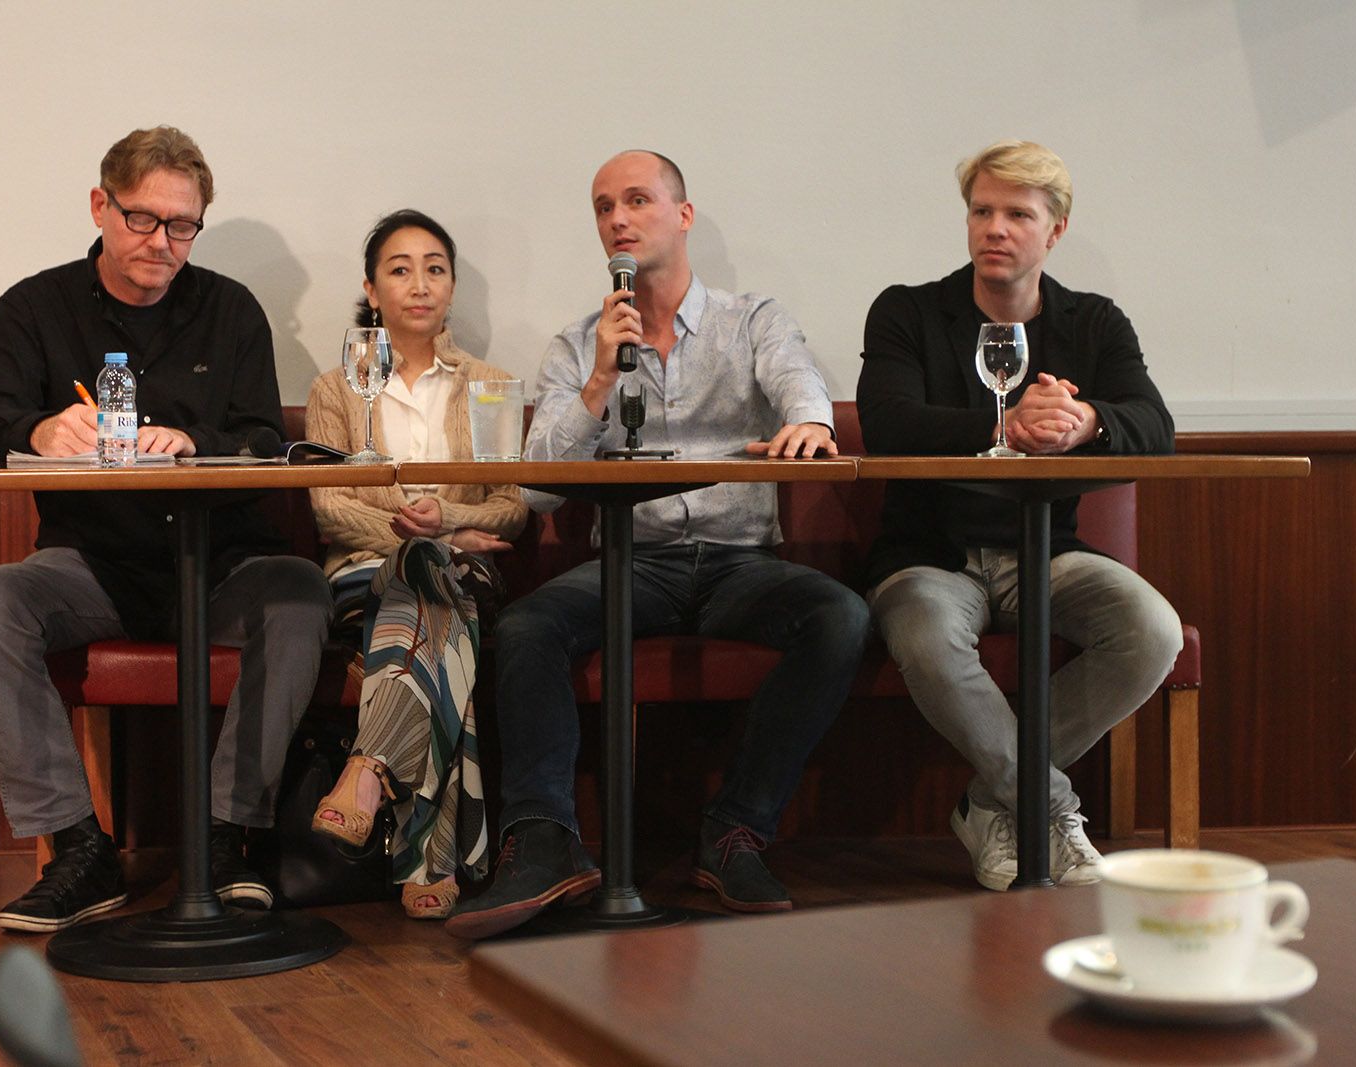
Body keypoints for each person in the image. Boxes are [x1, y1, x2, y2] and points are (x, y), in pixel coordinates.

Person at [445, 150, 870, 939]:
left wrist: (809, 420)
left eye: (636, 200)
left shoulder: (752, 318)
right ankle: (544, 840)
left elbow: (797, 378)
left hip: (740, 562)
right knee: (527, 626)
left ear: (683, 216)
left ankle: (736, 828)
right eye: (604, 206)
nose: (617, 218)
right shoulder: (580, 343)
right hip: (631, 562)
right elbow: (536, 486)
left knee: (840, 616)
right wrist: (600, 381)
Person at [0, 126, 333, 931]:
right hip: (90, 565)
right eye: (142, 219)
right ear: (101, 205)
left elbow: (267, 438)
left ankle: (228, 839)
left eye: (182, 225)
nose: (162, 242)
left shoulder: (231, 309)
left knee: (300, 592)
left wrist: (199, 442)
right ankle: (79, 850)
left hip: (223, 562)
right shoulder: (35, 306)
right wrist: (40, 428)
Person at [856, 140, 1183, 891]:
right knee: (928, 636)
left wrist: (1084, 420)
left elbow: (1155, 426)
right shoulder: (907, 310)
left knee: (1152, 630)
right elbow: (889, 423)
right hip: (928, 555)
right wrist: (1003, 429)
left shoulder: (1094, 323)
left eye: (1016, 214)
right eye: (981, 211)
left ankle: (991, 802)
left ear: (1055, 230)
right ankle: (1048, 805)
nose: (994, 228)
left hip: (1047, 550)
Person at [304, 209, 527, 920]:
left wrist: (450, 526)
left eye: (435, 267)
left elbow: (512, 507)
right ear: (372, 289)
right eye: (400, 269)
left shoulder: (489, 383)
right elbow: (330, 508)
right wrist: (420, 535)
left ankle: (369, 767)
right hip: (364, 574)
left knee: (428, 597)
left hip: (463, 572)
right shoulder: (335, 388)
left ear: (452, 286)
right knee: (431, 603)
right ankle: (431, 858)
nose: (419, 283)